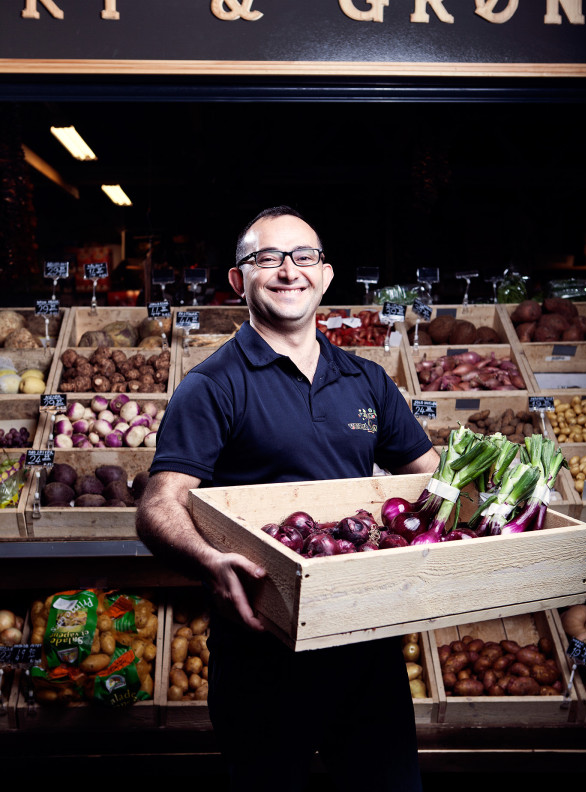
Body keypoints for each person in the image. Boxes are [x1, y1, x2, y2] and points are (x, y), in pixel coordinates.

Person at [136, 205, 439, 792]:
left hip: (364, 639)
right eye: (266, 258)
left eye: (303, 257)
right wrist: (207, 559)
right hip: (263, 646)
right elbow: (157, 505)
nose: (288, 271)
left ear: (325, 276)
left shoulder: (367, 380)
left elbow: (433, 480)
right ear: (238, 280)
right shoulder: (211, 385)